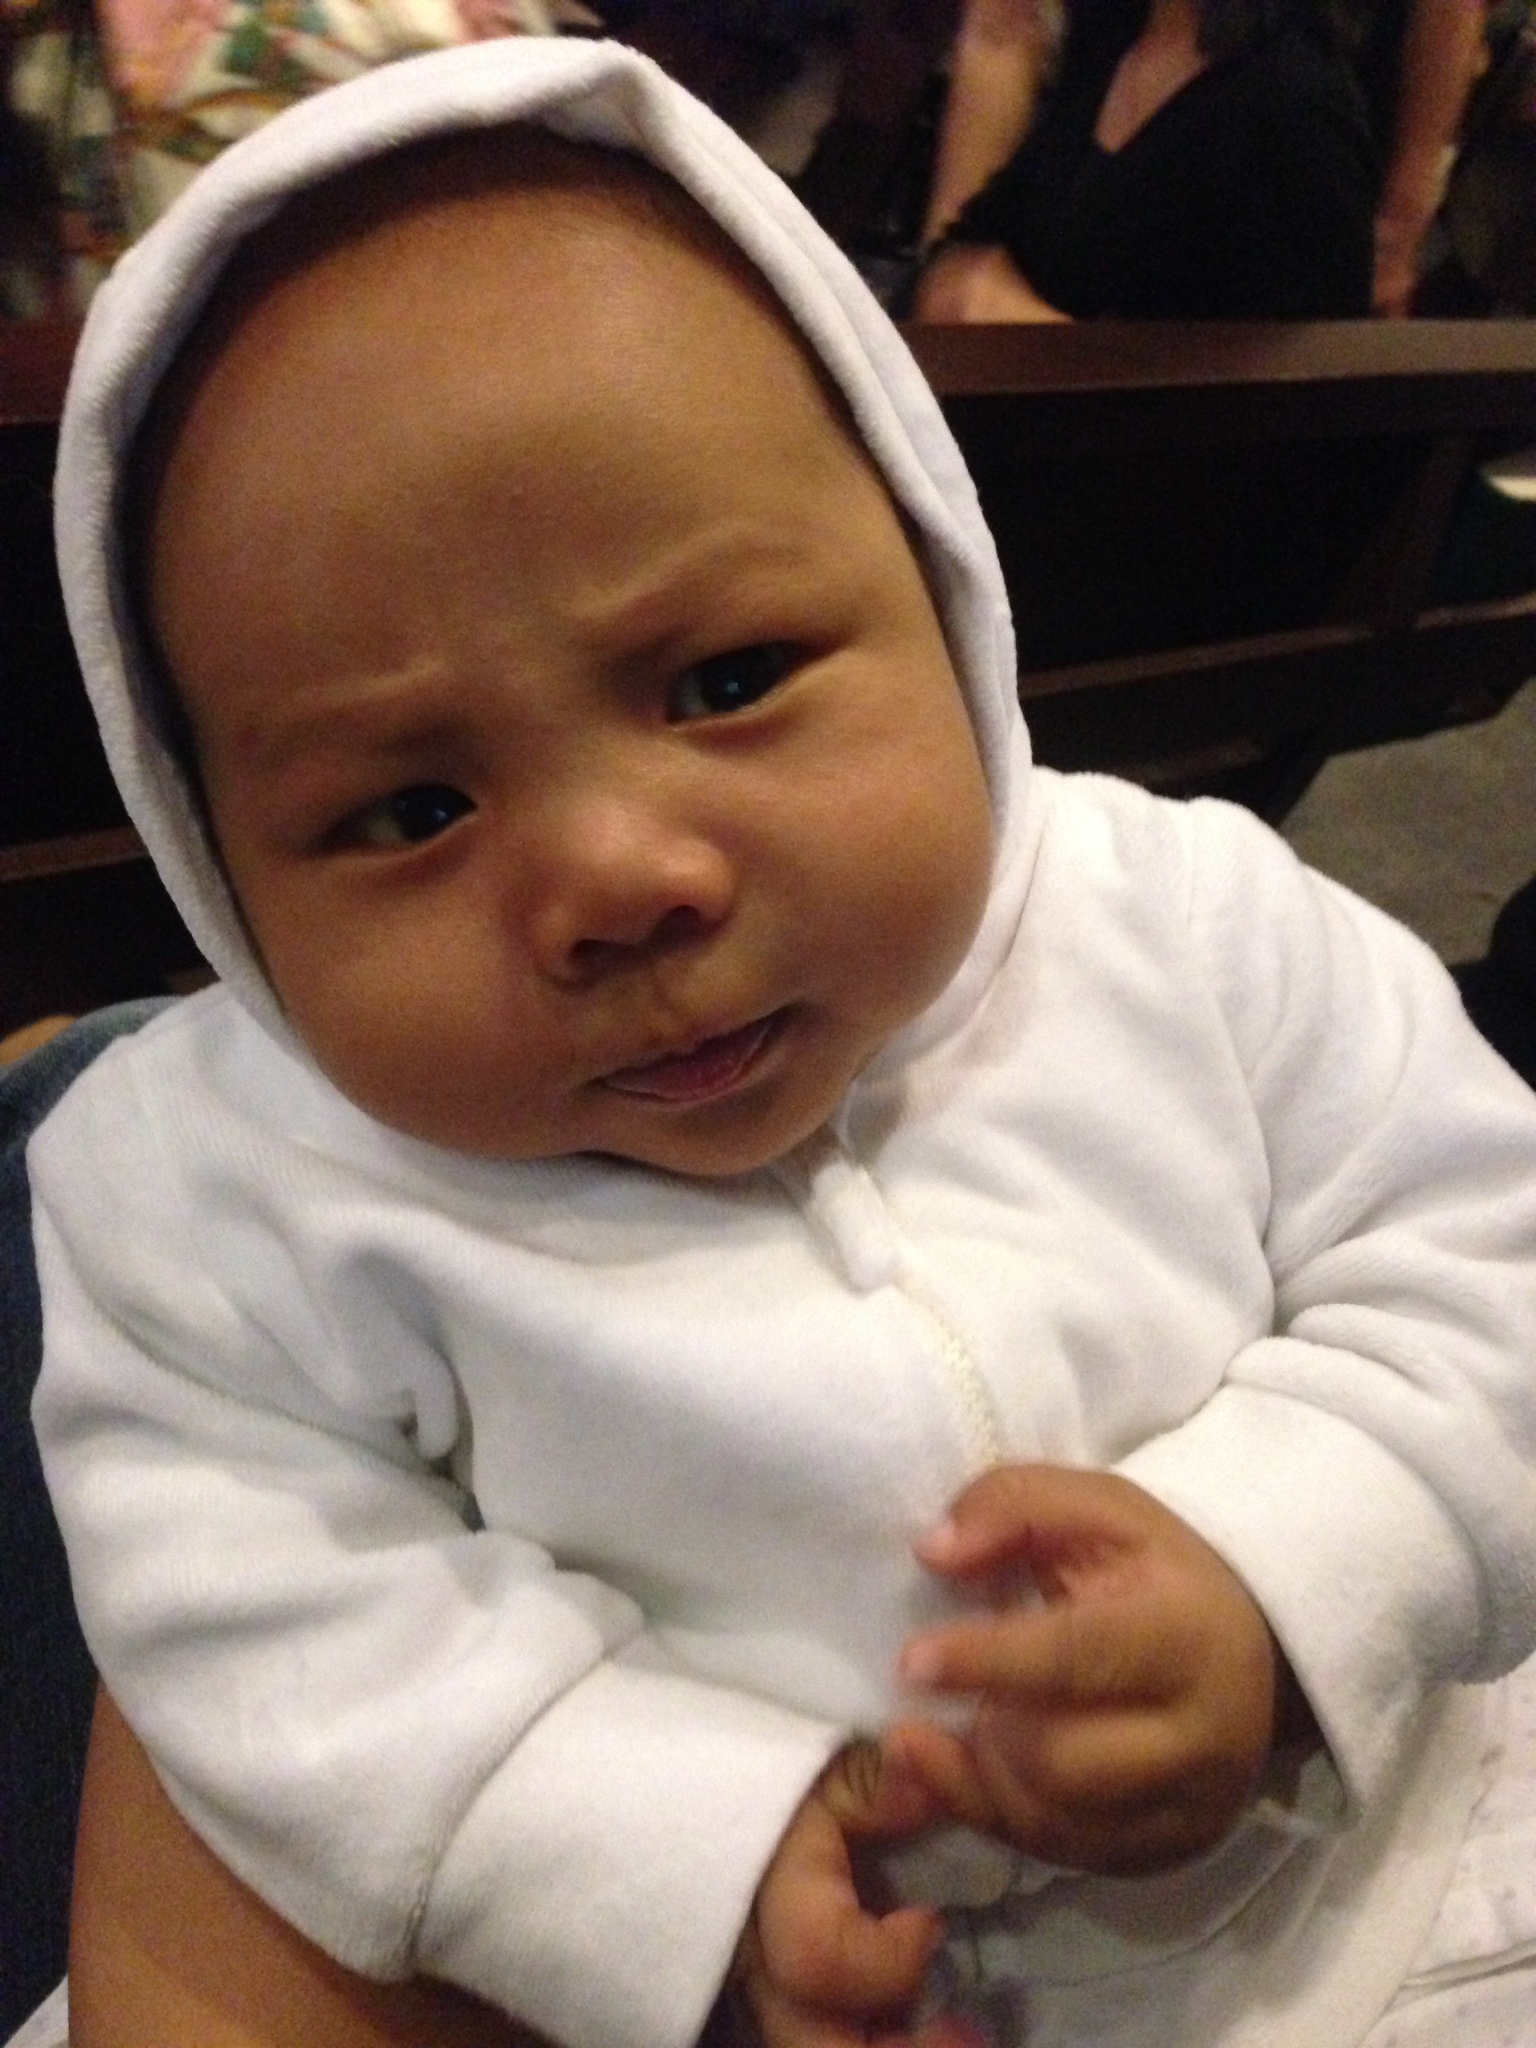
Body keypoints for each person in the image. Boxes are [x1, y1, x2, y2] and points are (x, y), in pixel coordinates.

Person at [24, 35, 1536, 2048]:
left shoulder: (1184, 917)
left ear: (939, 580)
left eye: (727, 678)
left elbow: (1486, 1250)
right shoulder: (207, 1193)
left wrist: (1297, 1560)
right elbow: (266, 1621)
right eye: (409, 807)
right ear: (215, 863)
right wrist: (669, 1843)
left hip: (1393, 1882)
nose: (618, 879)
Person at [918, 0, 1485, 318]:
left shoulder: (1292, 120)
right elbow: (960, 254)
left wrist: (1018, 329)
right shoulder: (1121, 43)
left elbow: (1260, 445)